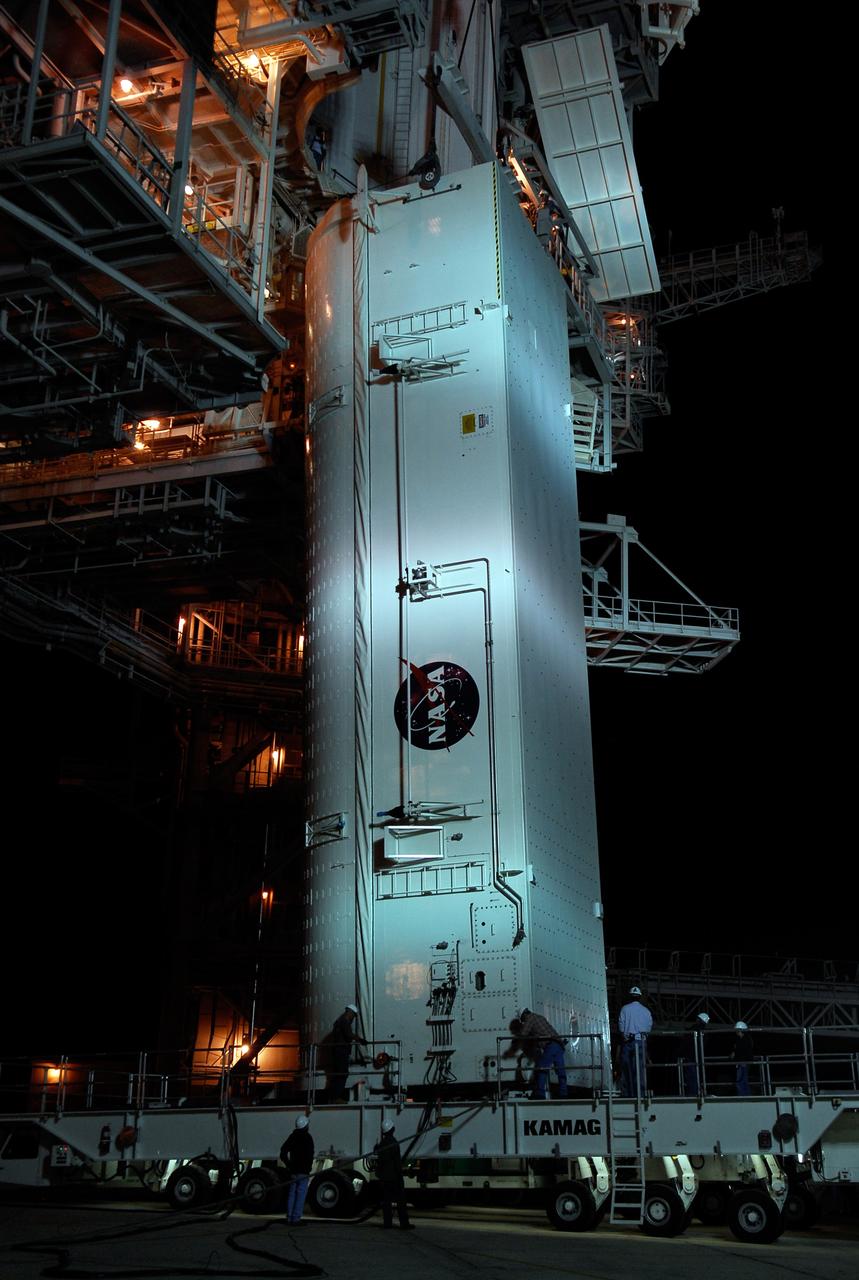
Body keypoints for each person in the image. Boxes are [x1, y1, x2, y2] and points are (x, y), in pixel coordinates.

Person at [511, 1008, 568, 1099]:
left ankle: (540, 1094)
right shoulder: (539, 1017)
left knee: (542, 1067)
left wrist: (514, 1042)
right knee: (560, 1070)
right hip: (558, 1044)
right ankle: (563, 1093)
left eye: (522, 1020)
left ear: (524, 1015)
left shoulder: (530, 1018)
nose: (523, 1022)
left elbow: (523, 1033)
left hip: (550, 1045)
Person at [374, 1119, 414, 1229]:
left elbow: (379, 1161)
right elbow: (397, 1162)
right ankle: (404, 1223)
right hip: (394, 1177)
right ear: (392, 1129)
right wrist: (400, 1176)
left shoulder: (382, 1144)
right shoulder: (394, 1143)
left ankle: (387, 1223)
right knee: (401, 1201)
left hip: (384, 1178)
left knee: (386, 1202)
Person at [328, 1003, 368, 1102]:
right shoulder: (344, 1022)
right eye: (353, 1015)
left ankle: (332, 1097)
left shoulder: (339, 1021)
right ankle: (335, 1097)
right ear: (350, 1012)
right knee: (343, 1074)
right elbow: (349, 1035)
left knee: (337, 1075)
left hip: (337, 1051)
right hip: (341, 1051)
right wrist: (360, 1039)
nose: (353, 1018)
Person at [617, 986, 652, 1097]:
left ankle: (627, 1095)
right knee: (639, 1071)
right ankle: (640, 1095)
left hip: (628, 1042)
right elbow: (648, 1028)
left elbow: (621, 1027)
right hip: (641, 1042)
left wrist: (625, 1037)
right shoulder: (646, 1011)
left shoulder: (624, 1009)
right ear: (640, 997)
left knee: (626, 1071)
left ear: (630, 996)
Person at [280, 1114, 314, 1225]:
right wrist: (308, 1167)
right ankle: (296, 1219)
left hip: (293, 1171)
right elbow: (310, 1155)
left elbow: (283, 1151)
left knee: (292, 1193)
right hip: (303, 1171)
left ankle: (289, 1217)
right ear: (305, 1125)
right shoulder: (308, 1138)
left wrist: (288, 1165)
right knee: (300, 1194)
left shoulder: (292, 1137)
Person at [683, 1012, 710, 1096]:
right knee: (697, 1076)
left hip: (691, 1056)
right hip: (698, 1056)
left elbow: (687, 1041)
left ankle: (693, 1094)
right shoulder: (703, 1031)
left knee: (691, 1077)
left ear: (699, 1020)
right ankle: (698, 1092)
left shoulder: (695, 1029)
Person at [732, 1021, 755, 1096]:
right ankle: (746, 1097)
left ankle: (744, 1098)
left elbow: (743, 1051)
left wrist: (735, 1053)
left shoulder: (744, 1039)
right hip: (742, 1062)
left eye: (737, 1029)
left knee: (741, 1082)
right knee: (743, 1081)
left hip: (743, 1063)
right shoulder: (743, 1039)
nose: (736, 1031)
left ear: (741, 1030)